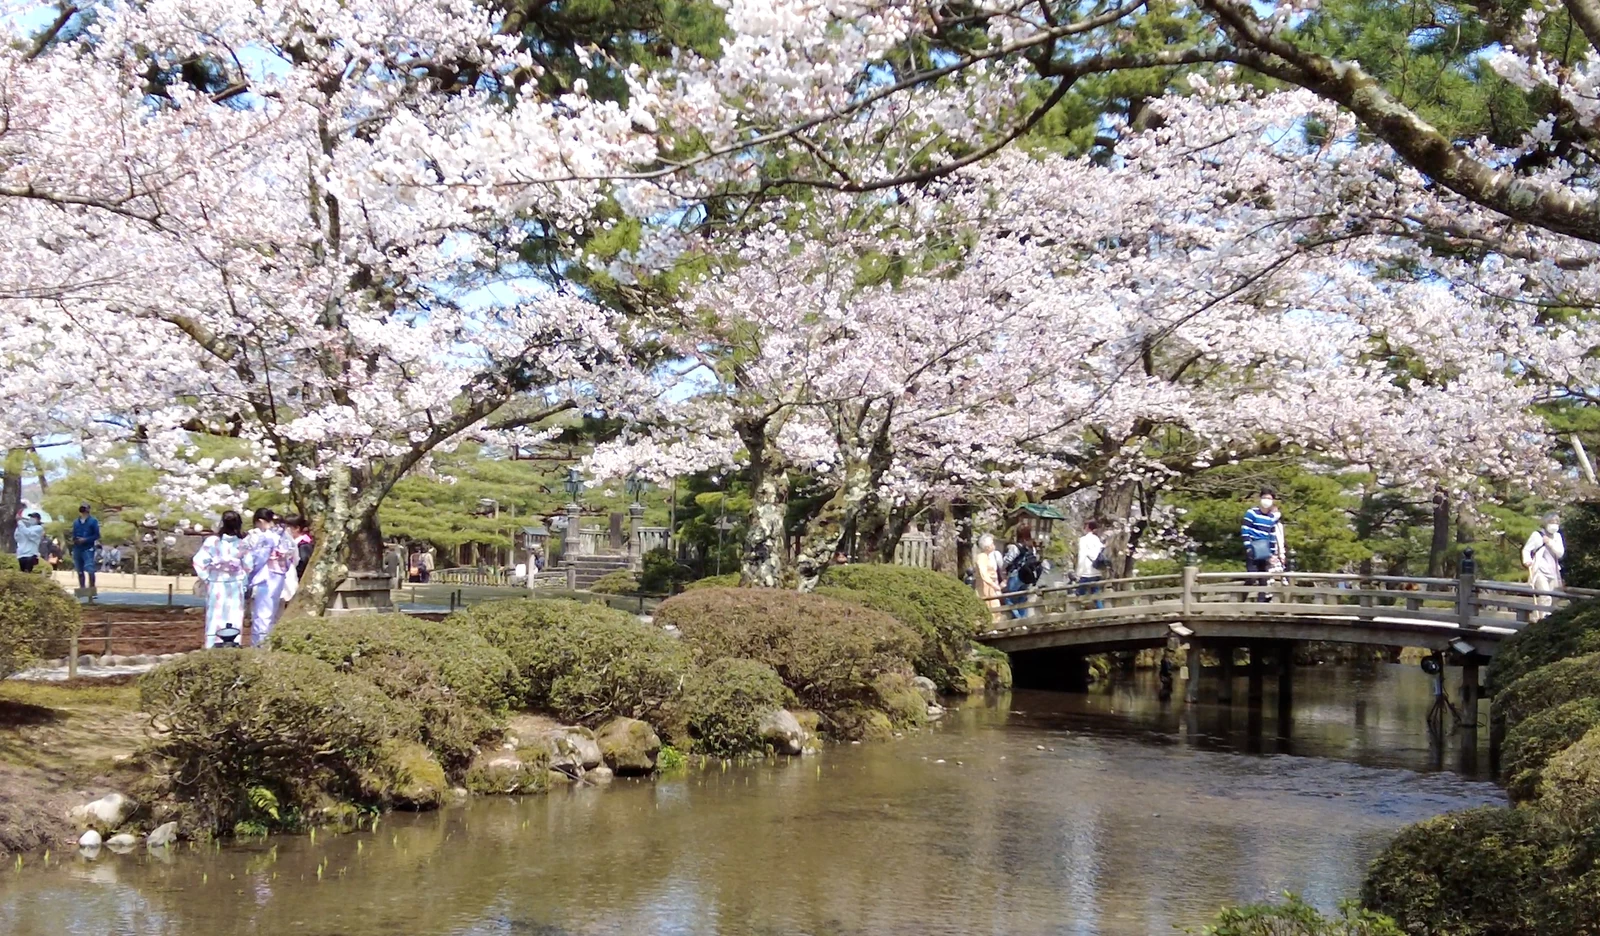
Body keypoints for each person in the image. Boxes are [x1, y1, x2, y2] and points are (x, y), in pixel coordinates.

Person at [194, 511, 249, 648]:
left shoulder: (212, 541)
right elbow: (248, 565)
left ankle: (212, 644)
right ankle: (233, 644)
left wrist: (207, 577)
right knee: (234, 615)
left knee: (215, 615)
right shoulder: (242, 543)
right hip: (235, 583)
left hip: (216, 582)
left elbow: (199, 561)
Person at [244, 508, 297, 646]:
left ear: (260, 521)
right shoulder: (284, 536)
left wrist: (248, 575)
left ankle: (259, 645)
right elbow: (294, 557)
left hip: (263, 576)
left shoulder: (259, 536)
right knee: (273, 613)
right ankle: (271, 643)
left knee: (262, 613)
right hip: (279, 575)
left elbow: (252, 558)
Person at [1241, 488, 1284, 602]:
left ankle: (1261, 605)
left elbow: (1271, 536)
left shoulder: (1270, 518)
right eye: (1265, 497)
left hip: (1265, 551)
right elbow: (1245, 530)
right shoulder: (1252, 513)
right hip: (1253, 548)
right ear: (1260, 499)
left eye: (1269, 498)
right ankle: (1240, 600)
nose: (1267, 500)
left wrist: (1273, 553)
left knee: (1263, 579)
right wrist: (1248, 547)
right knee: (1252, 576)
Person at [1523, 513, 1565, 620]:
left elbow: (1560, 553)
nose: (1554, 525)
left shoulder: (1557, 536)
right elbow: (1527, 549)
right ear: (1546, 523)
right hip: (1540, 570)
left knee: (1551, 597)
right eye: (1552, 522)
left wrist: (1550, 543)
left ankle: (1539, 617)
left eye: (1556, 523)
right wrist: (1527, 560)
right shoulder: (1537, 535)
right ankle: (1542, 619)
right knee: (1545, 595)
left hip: (1553, 570)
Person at [1001, 526, 1042, 619]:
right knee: (1022, 598)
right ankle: (1023, 619)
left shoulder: (1015, 547)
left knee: (1009, 598)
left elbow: (1007, 561)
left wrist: (1003, 569)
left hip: (1016, 575)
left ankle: (1018, 619)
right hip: (1027, 576)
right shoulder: (1032, 548)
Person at [974, 533, 1005, 624]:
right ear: (987, 547)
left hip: (991, 586)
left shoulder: (987, 557)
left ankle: (994, 624)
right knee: (988, 605)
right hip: (985, 586)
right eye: (992, 544)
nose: (993, 545)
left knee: (995, 605)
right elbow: (983, 573)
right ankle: (987, 625)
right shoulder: (981, 557)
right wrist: (993, 584)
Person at [1076, 520, 1107, 609]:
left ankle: (1074, 615)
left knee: (1078, 594)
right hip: (1096, 570)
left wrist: (1079, 572)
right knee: (1096, 595)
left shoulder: (1083, 540)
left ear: (1087, 528)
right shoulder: (1097, 539)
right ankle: (1101, 615)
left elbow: (1082, 556)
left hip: (1086, 571)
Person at [70, 503, 101, 590]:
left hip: (88, 548)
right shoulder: (76, 522)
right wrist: (75, 540)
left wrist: (86, 539)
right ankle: (82, 588)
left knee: (89, 567)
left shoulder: (93, 521)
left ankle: (91, 588)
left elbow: (97, 535)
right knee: (79, 569)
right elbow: (74, 533)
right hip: (77, 547)